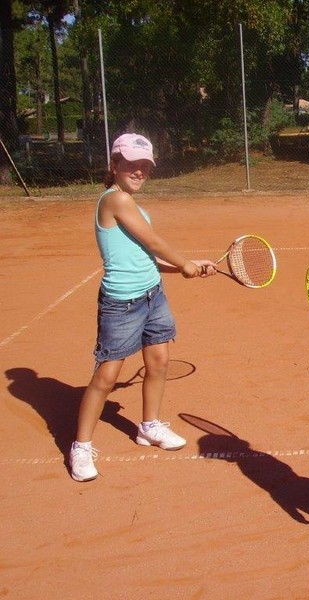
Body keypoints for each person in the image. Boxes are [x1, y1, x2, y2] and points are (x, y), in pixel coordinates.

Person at [69, 133, 216, 482]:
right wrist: (183, 262)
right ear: (114, 165)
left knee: (159, 362)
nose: (138, 172)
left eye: (145, 167)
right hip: (121, 303)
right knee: (106, 377)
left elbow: (145, 255)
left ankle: (149, 426)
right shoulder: (115, 200)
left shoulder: (135, 206)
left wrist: (186, 265)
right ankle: (80, 446)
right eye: (132, 165)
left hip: (153, 295)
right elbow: (154, 241)